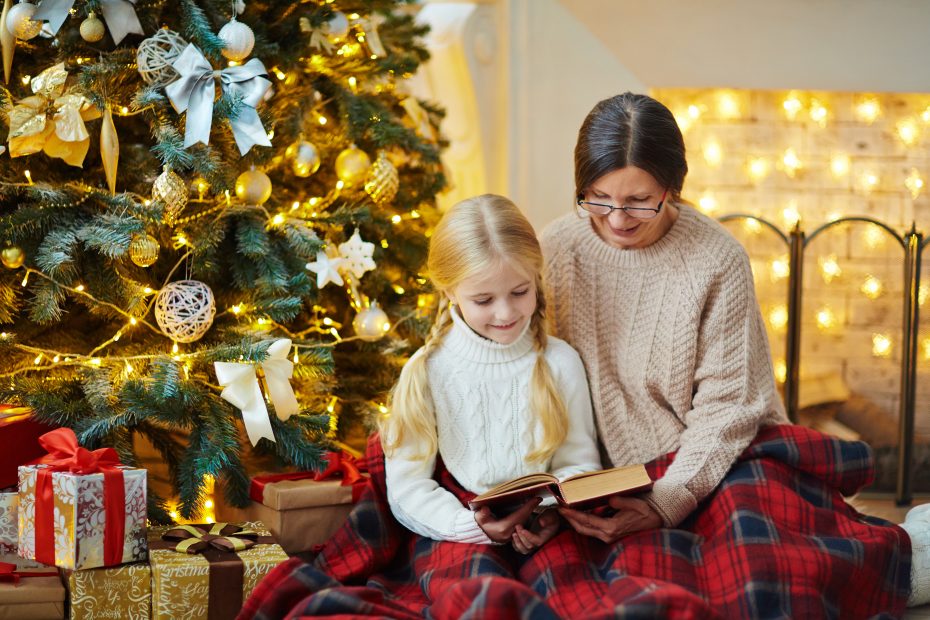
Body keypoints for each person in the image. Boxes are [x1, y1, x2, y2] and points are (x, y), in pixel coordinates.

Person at [540, 91, 930, 608]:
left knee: (763, 573)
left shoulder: (716, 257)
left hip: (721, 451)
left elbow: (728, 408)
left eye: (639, 201)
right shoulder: (554, 248)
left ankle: (918, 551)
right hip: (601, 470)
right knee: (575, 579)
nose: (616, 218)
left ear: (673, 189)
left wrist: (666, 501)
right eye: (597, 197)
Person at [380, 193, 602, 554]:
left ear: (535, 277)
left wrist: (554, 515)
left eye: (519, 291)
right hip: (461, 532)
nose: (505, 313)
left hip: (547, 529)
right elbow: (409, 488)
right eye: (483, 300)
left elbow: (578, 462)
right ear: (449, 291)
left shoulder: (560, 362)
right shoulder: (428, 370)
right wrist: (469, 527)